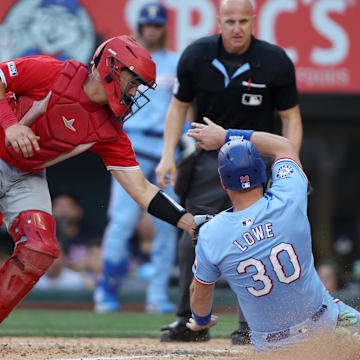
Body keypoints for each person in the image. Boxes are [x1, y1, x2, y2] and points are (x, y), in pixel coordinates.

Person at [0, 34, 195, 324]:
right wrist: (10, 125)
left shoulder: (110, 131)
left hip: (26, 174)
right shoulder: (54, 72)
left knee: (40, 248)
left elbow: (142, 189)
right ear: (112, 67)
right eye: (134, 80)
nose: (136, 91)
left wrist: (186, 221)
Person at [156, 0, 302, 343]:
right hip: (210, 158)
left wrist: (290, 160)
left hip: (260, 158)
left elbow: (291, 118)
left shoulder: (275, 60)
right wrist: (167, 156)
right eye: (229, 20)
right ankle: (191, 321)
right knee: (194, 232)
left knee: (262, 237)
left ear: (254, 20)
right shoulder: (196, 56)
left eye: (243, 21)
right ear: (218, 20)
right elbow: (177, 109)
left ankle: (254, 326)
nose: (236, 28)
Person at [185, 121, 360, 351]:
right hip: (329, 324)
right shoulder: (289, 197)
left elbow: (199, 293)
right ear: (261, 173)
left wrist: (201, 321)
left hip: (275, 349)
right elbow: (284, 146)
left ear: (222, 181)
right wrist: (225, 135)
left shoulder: (211, 233)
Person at [94, 2, 181, 315]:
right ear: (140, 26)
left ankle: (157, 296)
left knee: (169, 225)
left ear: (164, 28)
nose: (152, 30)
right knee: (122, 223)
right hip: (130, 147)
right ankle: (106, 291)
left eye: (157, 25)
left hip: (165, 153)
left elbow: (185, 107)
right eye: (148, 25)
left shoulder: (175, 61)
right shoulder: (124, 58)